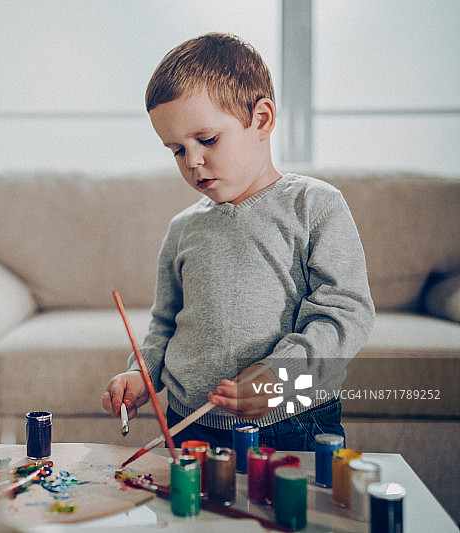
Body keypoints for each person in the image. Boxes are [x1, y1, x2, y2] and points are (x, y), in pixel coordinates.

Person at [101, 32, 375, 450]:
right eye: (176, 149)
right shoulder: (182, 229)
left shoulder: (315, 206)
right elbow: (164, 324)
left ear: (261, 119)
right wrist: (143, 374)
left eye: (207, 140)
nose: (192, 161)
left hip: (291, 420)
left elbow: (345, 315)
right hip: (189, 422)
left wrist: (280, 374)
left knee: (285, 516)